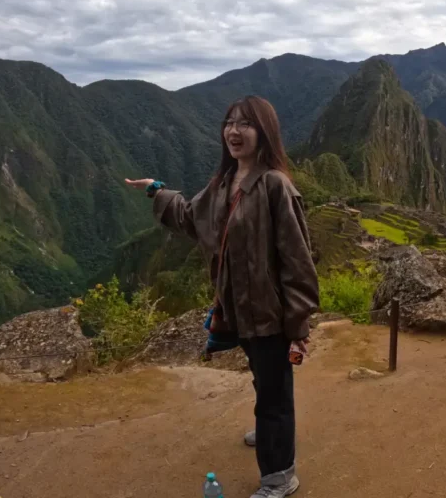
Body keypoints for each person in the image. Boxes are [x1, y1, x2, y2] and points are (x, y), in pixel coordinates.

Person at [125, 95, 318, 498]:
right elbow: (190, 219)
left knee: (275, 395)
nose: (234, 131)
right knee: (264, 382)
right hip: (237, 311)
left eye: (245, 124)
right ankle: (269, 434)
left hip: (269, 314)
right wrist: (156, 190)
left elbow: (297, 262)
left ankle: (280, 475)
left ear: (263, 132)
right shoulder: (223, 183)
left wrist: (298, 326)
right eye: (230, 122)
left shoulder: (275, 186)